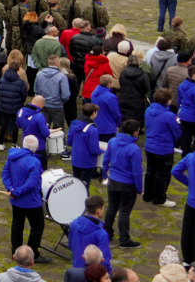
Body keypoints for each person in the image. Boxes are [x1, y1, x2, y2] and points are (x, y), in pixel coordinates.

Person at [0, 135, 51, 264]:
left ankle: (15, 251)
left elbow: (5, 174)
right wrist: (16, 192)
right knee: (37, 226)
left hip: (16, 201)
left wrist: (11, 189)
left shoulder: (12, 157)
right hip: (31, 201)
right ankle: (33, 253)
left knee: (17, 225)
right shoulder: (34, 162)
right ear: (35, 148)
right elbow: (32, 183)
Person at [102, 119, 145, 249]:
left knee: (111, 207)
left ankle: (107, 232)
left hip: (113, 180)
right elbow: (137, 172)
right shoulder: (134, 149)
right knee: (124, 212)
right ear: (135, 132)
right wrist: (139, 188)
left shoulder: (112, 141)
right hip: (127, 184)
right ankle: (124, 240)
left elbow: (106, 160)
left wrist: (104, 175)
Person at [144, 91, 182, 208]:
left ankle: (148, 195)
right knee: (163, 175)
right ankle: (159, 199)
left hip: (150, 146)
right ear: (167, 100)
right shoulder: (168, 115)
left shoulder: (148, 110)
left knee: (150, 172)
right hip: (163, 148)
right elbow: (177, 133)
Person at [69, 195, 111, 269]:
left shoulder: (74, 223)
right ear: (98, 211)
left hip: (76, 268)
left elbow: (71, 245)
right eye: (103, 209)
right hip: (92, 272)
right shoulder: (102, 234)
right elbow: (104, 260)